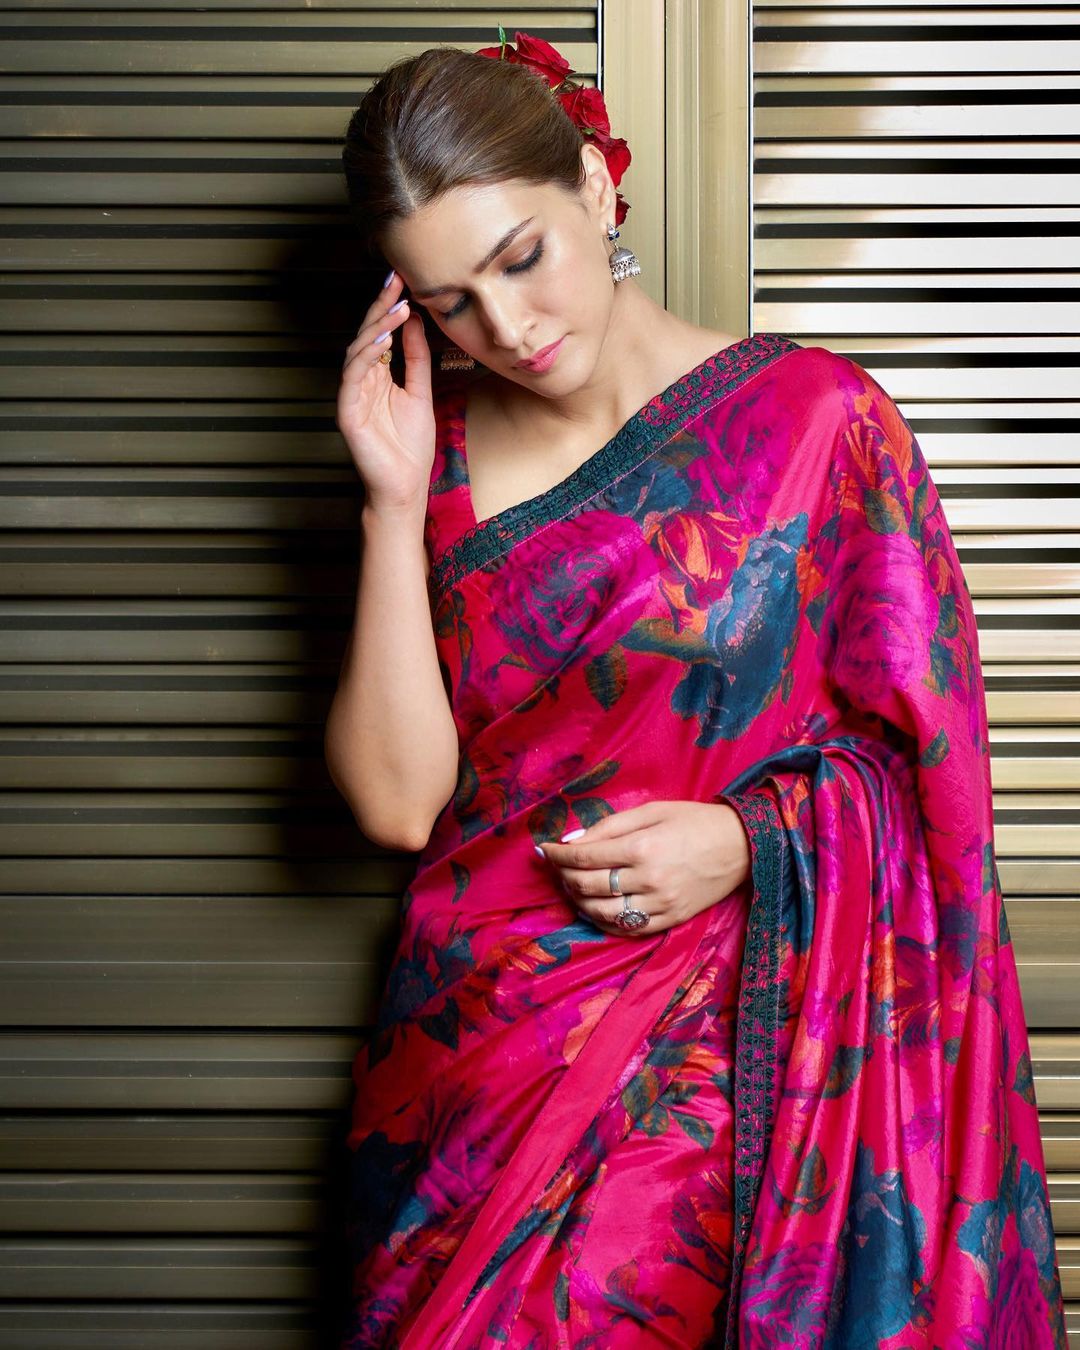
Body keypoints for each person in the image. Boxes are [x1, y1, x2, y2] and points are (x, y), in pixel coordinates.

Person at [324, 32, 1068, 1350]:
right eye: (451, 305)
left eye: (521, 259)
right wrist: (389, 502)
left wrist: (747, 840)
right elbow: (397, 806)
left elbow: (934, 775)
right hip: (475, 1069)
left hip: (740, 1065)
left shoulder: (820, 424)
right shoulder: (428, 460)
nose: (508, 329)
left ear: (596, 187)